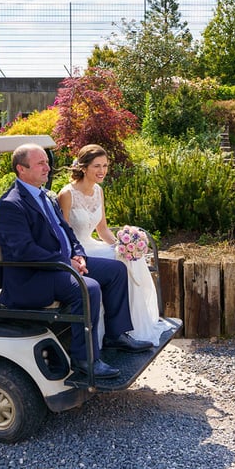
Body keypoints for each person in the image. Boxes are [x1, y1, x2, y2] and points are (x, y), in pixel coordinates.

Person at [0, 143, 150, 379]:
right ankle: (84, 359)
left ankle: (115, 335)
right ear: (21, 169)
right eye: (40, 163)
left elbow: (67, 231)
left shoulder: (45, 195)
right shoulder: (11, 204)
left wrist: (78, 254)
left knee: (116, 270)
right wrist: (66, 261)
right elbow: (24, 250)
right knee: (88, 288)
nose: (47, 167)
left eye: (47, 162)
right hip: (33, 276)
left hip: (57, 266)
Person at [58, 144, 172, 345]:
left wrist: (123, 246)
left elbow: (102, 230)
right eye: (97, 166)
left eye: (105, 165)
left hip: (93, 244)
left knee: (130, 258)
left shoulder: (98, 191)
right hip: (79, 251)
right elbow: (64, 235)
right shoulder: (67, 194)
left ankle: (134, 326)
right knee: (121, 264)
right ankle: (118, 333)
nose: (102, 171)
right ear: (83, 167)